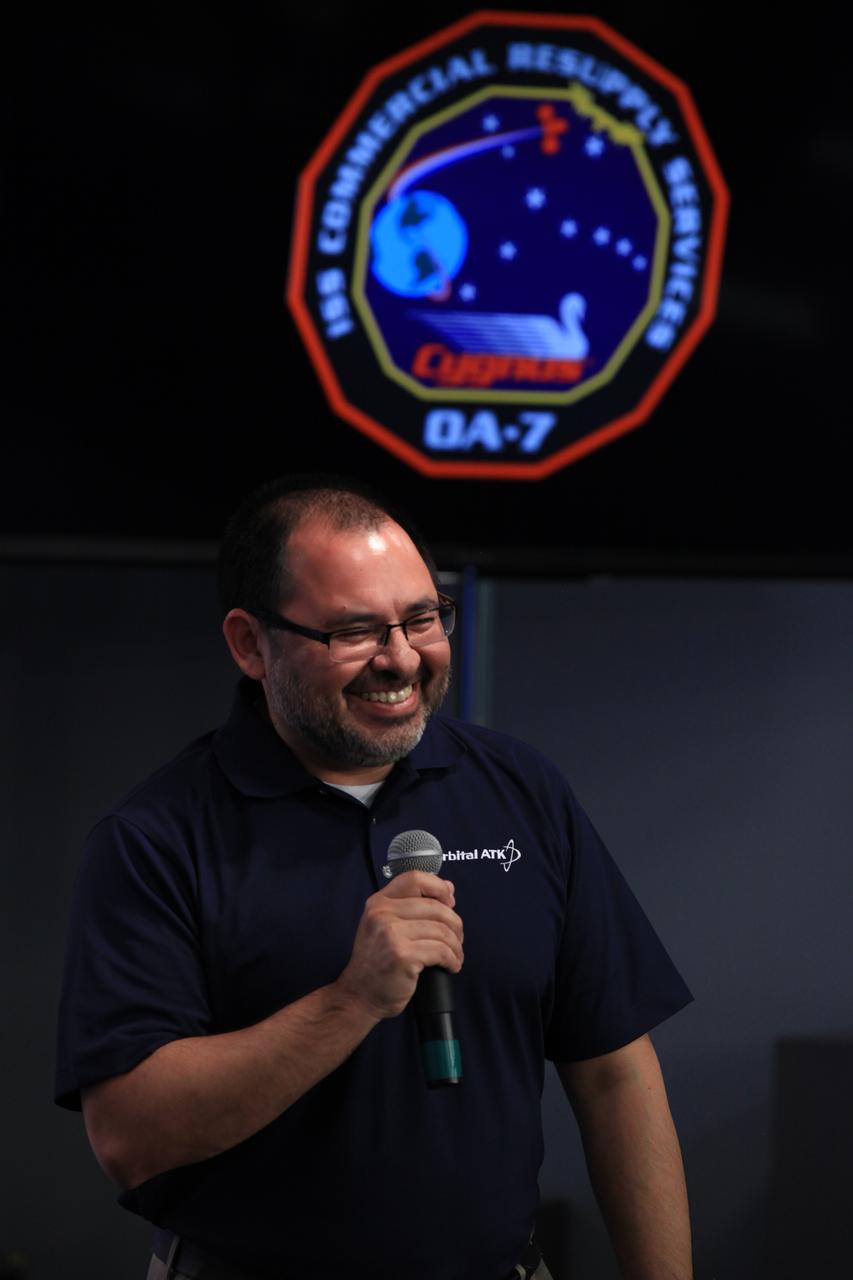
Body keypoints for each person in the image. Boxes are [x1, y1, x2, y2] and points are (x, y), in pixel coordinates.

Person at [56, 475, 694, 1280]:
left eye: (423, 618)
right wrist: (350, 1001)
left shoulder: (520, 789)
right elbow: (130, 1138)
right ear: (251, 644)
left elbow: (612, 1072)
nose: (400, 658)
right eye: (354, 630)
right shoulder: (155, 839)